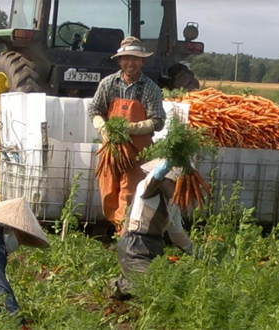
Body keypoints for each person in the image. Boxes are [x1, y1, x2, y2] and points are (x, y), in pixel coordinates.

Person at [89, 36, 166, 233]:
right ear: (120, 61)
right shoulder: (108, 83)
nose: (130, 63)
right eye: (126, 58)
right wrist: (103, 127)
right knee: (107, 191)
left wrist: (132, 128)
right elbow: (95, 110)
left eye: (135, 59)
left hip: (137, 153)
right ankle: (117, 228)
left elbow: (157, 121)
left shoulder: (150, 88)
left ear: (142, 61)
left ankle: (124, 234)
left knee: (129, 193)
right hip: (111, 150)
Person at [109, 159, 193, 300]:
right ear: (166, 180)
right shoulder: (147, 188)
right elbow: (155, 179)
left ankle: (130, 281)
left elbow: (177, 235)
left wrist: (199, 253)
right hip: (134, 247)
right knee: (154, 285)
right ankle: (120, 284)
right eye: (175, 183)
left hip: (155, 250)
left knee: (170, 284)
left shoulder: (173, 205)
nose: (177, 188)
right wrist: (169, 162)